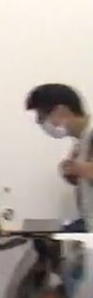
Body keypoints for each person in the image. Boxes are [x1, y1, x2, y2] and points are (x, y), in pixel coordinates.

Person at [25, 83, 93, 229]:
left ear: (62, 111)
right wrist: (73, 174)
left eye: (42, 116)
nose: (39, 122)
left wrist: (83, 170)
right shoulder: (81, 141)